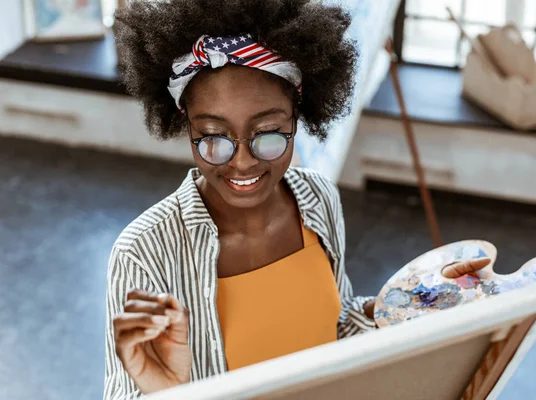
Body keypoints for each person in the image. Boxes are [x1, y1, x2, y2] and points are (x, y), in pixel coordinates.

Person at [104, 1, 490, 398]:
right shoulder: (144, 252)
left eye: (268, 133)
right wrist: (168, 391)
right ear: (187, 124)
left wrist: (409, 301)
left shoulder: (318, 200)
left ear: (296, 119)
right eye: (214, 137)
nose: (242, 162)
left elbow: (337, 327)